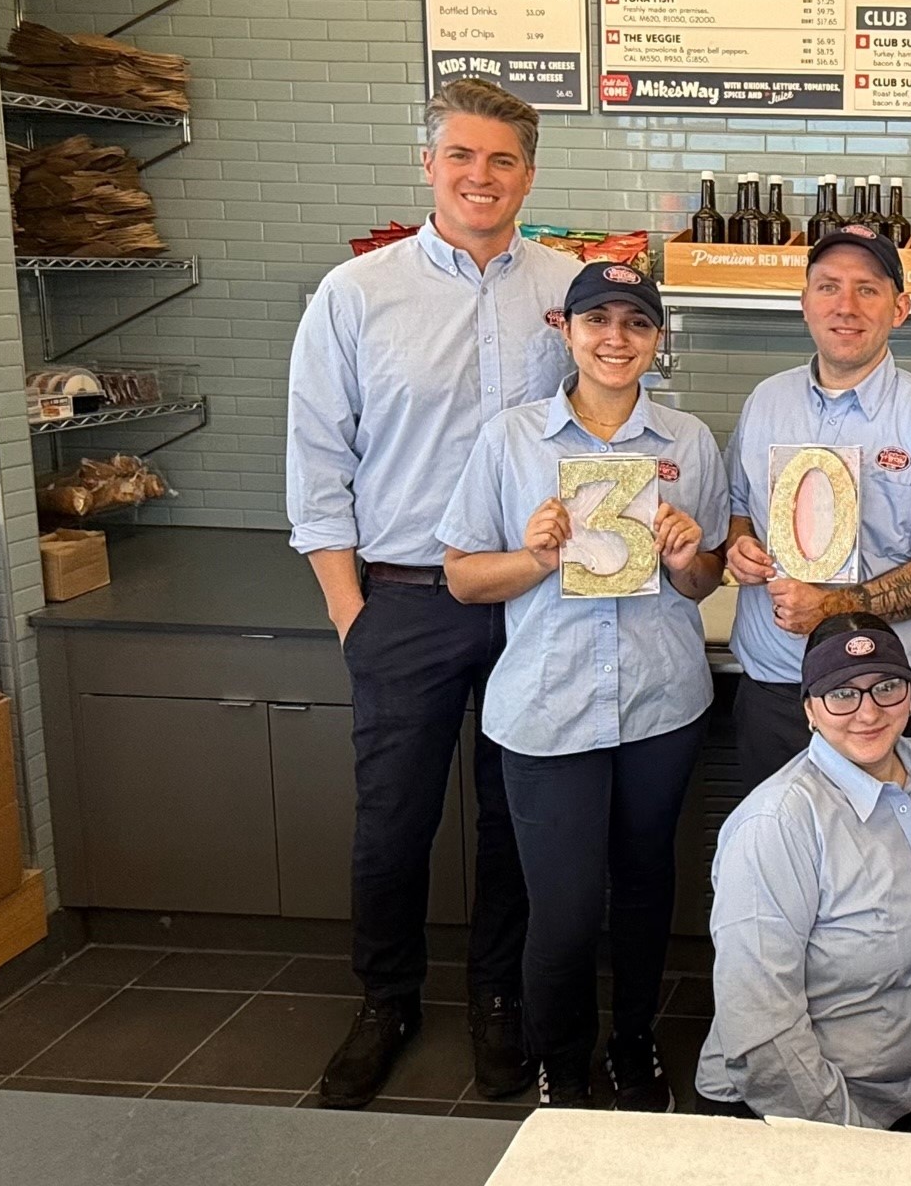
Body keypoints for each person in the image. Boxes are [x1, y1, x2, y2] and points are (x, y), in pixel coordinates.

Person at [287, 78, 580, 1107]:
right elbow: (317, 465)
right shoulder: (357, 294)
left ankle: (499, 1002)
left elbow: (616, 417)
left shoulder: (570, 285)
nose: (481, 177)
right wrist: (349, 611)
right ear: (430, 164)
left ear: (529, 174)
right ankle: (387, 1001)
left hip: (534, 601)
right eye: (462, 155)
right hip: (405, 601)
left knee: (517, 819)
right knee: (392, 822)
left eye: (502, 160)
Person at [437, 263, 726, 1110]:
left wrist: (686, 556)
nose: (615, 338)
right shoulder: (512, 440)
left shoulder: (689, 444)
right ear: (566, 329)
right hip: (547, 710)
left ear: (656, 341)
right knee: (561, 913)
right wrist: (534, 556)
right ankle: (561, 1066)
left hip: (660, 706)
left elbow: (703, 583)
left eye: (636, 323)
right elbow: (461, 577)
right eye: (598, 319)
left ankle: (633, 1047)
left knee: (642, 897)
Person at [696, 613, 911, 1131]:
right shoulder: (776, 825)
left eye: (886, 686)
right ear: (810, 709)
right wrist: (853, 1146)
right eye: (842, 693)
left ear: (910, 694)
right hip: (794, 1112)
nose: (868, 712)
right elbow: (764, 1036)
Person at [723, 224, 911, 794]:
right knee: (779, 864)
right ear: (805, 302)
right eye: (828, 287)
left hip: (892, 696)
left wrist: (833, 605)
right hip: (780, 691)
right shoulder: (766, 402)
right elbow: (740, 506)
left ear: (900, 308)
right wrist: (739, 544)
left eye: (867, 289)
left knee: (906, 867)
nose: (846, 306)